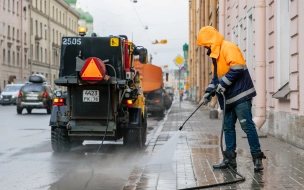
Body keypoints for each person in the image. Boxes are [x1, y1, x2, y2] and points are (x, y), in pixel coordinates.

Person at [197, 26, 266, 171]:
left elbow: (238, 67)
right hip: (228, 99)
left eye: (206, 45)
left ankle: (257, 159)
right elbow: (216, 78)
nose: (205, 48)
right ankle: (229, 160)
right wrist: (208, 92)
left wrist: (222, 85)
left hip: (240, 95)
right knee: (228, 128)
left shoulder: (228, 47)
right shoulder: (215, 56)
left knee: (247, 126)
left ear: (211, 41)